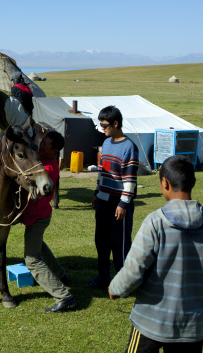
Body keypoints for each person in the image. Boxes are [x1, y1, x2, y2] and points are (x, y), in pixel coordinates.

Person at [108, 155, 203, 352]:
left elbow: (134, 268)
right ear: (193, 182)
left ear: (164, 183)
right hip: (191, 328)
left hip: (149, 323)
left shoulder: (155, 222)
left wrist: (116, 289)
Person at [22, 131, 75, 312]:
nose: (41, 146)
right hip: (40, 216)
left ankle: (63, 296)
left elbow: (36, 194)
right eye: (42, 142)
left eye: (45, 145)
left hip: (38, 218)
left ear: (55, 150)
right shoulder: (43, 163)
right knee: (39, 246)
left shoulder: (49, 169)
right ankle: (61, 274)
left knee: (32, 259)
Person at [88, 105, 139, 289]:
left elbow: (130, 180)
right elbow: (102, 172)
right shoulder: (107, 143)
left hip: (119, 204)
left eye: (104, 125)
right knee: (101, 241)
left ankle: (124, 282)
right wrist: (97, 193)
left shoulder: (129, 147)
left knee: (120, 244)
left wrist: (123, 204)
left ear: (115, 123)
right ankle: (103, 277)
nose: (102, 128)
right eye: (100, 125)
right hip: (103, 201)